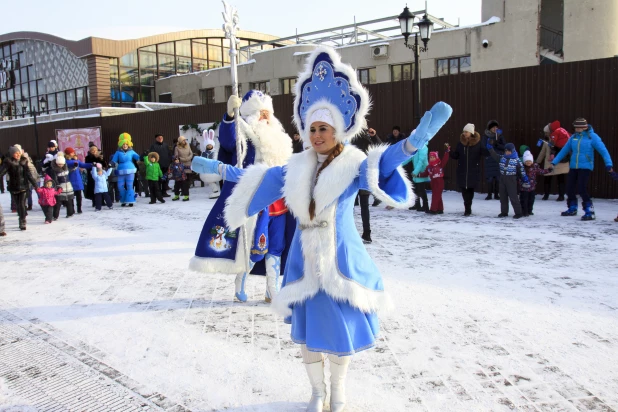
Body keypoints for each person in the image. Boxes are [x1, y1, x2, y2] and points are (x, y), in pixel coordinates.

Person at [193, 47, 452, 412]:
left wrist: (413, 141)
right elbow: (258, 178)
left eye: (323, 128)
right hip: (302, 260)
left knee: (340, 324)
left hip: (340, 258)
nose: (316, 135)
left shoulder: (353, 163)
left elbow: (385, 162)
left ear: (338, 129)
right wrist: (218, 169)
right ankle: (317, 391)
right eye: (312, 128)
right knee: (310, 328)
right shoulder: (295, 166)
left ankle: (339, 390)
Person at [190, 89, 293, 304]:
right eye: (260, 112)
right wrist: (229, 117)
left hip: (281, 200)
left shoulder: (280, 137)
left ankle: (271, 290)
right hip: (255, 196)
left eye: (267, 112)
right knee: (253, 246)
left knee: (278, 244)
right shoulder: (243, 131)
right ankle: (240, 284)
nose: (264, 116)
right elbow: (229, 141)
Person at [551, 118, 613, 220]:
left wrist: (608, 164)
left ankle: (589, 210)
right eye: (575, 127)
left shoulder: (592, 137)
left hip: (585, 166)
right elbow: (564, 150)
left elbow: (603, 151)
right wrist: (554, 162)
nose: (576, 129)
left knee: (581, 188)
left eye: (577, 128)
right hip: (574, 166)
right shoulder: (574, 137)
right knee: (569, 188)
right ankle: (572, 207)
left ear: (584, 127)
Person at [449, 123, 487, 216]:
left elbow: (485, 153)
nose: (465, 133)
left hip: (473, 170)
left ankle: (468, 207)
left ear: (471, 133)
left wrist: (490, 147)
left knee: (470, 190)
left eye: (466, 132)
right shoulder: (461, 143)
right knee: (464, 191)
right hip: (462, 170)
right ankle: (467, 209)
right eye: (464, 132)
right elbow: (456, 155)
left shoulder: (478, 143)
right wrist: (450, 151)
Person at [351, 127, 381, 243]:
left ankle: (364, 232)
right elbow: (380, 147)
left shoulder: (357, 138)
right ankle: (366, 232)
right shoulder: (366, 138)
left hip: (357, 175)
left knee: (353, 206)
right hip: (359, 175)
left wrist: (373, 136)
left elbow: (380, 148)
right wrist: (374, 136)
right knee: (362, 206)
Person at [487, 142, 529, 219]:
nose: (507, 152)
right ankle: (504, 212)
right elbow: (495, 156)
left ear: (512, 151)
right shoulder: (502, 158)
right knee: (503, 196)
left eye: (509, 151)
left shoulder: (517, 160)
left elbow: (521, 170)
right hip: (502, 178)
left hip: (511, 179)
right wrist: (490, 149)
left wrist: (525, 178)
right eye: (506, 151)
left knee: (513, 196)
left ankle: (518, 212)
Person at [0, 146, 38, 230]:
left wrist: (35, 185)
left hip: (23, 186)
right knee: (18, 205)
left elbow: (28, 174)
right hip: (13, 186)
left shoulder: (24, 161)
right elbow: (2, 172)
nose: (17, 155)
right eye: (15, 153)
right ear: (12, 154)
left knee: (21, 204)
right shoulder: (8, 162)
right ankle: (22, 216)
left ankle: (22, 221)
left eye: (18, 153)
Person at [536, 122, 569, 201]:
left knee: (549, 179)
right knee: (560, 179)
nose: (545, 134)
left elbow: (542, 152)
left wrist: (537, 162)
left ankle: (547, 195)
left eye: (546, 132)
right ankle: (560, 195)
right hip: (561, 162)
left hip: (550, 162)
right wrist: (537, 162)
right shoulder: (563, 139)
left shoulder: (548, 141)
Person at [110, 133, 140, 207]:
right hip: (121, 171)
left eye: (126, 144)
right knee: (120, 186)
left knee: (130, 186)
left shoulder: (132, 152)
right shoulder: (118, 152)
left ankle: (130, 200)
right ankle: (123, 200)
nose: (125, 145)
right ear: (121, 145)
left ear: (129, 144)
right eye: (123, 144)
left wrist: (143, 157)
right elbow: (113, 160)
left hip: (130, 170)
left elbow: (138, 157)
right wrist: (111, 164)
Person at [519, 151, 552, 217]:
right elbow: (519, 177)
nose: (528, 163)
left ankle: (529, 210)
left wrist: (548, 170)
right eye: (527, 161)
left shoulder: (534, 167)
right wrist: (521, 183)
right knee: (524, 200)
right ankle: (524, 211)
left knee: (531, 200)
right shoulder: (522, 168)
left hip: (532, 187)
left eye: (530, 161)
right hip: (524, 188)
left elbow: (541, 171)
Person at [421, 145, 450, 215]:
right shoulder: (429, 167)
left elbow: (445, 159)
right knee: (438, 196)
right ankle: (440, 209)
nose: (432, 158)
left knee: (435, 196)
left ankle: (433, 209)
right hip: (433, 182)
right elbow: (425, 173)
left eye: (433, 157)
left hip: (439, 182)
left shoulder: (439, 164)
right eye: (430, 157)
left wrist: (447, 152)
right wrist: (419, 175)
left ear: (436, 157)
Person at [64, 147, 92, 214]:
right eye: (72, 152)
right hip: (70, 180)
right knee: (71, 196)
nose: (73, 153)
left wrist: (91, 164)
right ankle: (72, 209)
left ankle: (79, 209)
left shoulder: (76, 160)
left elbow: (83, 165)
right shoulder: (65, 161)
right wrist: (74, 164)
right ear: (68, 153)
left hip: (78, 180)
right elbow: (68, 164)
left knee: (79, 196)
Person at [482, 120, 505, 200]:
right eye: (493, 127)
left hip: (498, 157)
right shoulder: (485, 136)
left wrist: (497, 144)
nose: (495, 129)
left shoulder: (500, 136)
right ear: (490, 128)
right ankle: (489, 194)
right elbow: (483, 147)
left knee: (498, 177)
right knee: (490, 177)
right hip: (489, 158)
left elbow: (504, 147)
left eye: (496, 127)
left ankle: (496, 194)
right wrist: (490, 145)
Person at [49, 152, 76, 219]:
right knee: (58, 202)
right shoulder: (54, 170)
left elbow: (69, 170)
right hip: (60, 187)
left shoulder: (65, 168)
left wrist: (74, 167)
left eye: (61, 164)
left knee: (69, 201)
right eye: (59, 164)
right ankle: (55, 216)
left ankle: (70, 213)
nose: (60, 165)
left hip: (68, 187)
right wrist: (58, 186)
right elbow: (55, 179)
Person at [405, 144, 429, 212]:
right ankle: (417, 204)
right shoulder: (415, 147)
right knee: (415, 189)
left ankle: (425, 206)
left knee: (421, 190)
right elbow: (410, 158)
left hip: (421, 172)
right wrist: (400, 164)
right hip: (416, 172)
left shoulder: (423, 147)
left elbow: (421, 162)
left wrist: (416, 172)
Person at [200, 129, 221, 199]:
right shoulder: (204, 153)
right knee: (210, 180)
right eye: (208, 145)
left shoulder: (215, 152)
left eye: (210, 145)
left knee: (218, 179)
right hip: (207, 169)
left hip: (215, 168)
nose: (209, 147)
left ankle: (220, 190)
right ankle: (215, 190)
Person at [173, 136, 193, 201]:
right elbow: (176, 156)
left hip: (188, 165)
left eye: (185, 140)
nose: (185, 141)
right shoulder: (177, 148)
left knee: (186, 182)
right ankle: (177, 194)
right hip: (181, 166)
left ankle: (186, 195)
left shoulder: (188, 146)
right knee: (178, 181)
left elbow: (191, 153)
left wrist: (187, 158)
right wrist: (182, 159)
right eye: (183, 140)